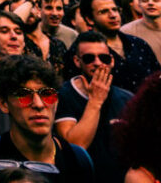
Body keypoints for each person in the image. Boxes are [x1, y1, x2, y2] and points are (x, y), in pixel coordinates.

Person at [0, 55, 95, 183]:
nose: (38, 104)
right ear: (3, 103)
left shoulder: (78, 159)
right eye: (24, 95)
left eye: (47, 94)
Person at [54, 31, 133, 183]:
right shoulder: (63, 95)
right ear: (77, 61)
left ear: (111, 61)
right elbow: (75, 146)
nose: (97, 63)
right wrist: (95, 101)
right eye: (89, 58)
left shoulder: (126, 97)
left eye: (103, 58)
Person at [63, 0, 160, 92]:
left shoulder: (139, 44)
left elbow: (159, 78)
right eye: (104, 11)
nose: (113, 15)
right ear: (89, 19)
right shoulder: (80, 51)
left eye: (115, 9)